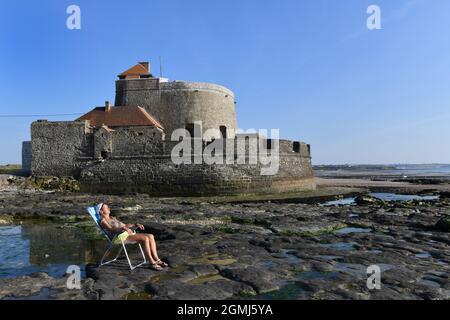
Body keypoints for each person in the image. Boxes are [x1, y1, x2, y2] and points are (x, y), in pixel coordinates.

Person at [97, 203, 168, 271]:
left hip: (126, 234)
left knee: (151, 236)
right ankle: (151, 262)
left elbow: (125, 225)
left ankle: (157, 259)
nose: (109, 208)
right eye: (106, 207)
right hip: (119, 238)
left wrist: (135, 224)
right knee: (145, 238)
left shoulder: (112, 218)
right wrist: (123, 229)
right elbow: (111, 230)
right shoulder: (103, 221)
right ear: (101, 211)